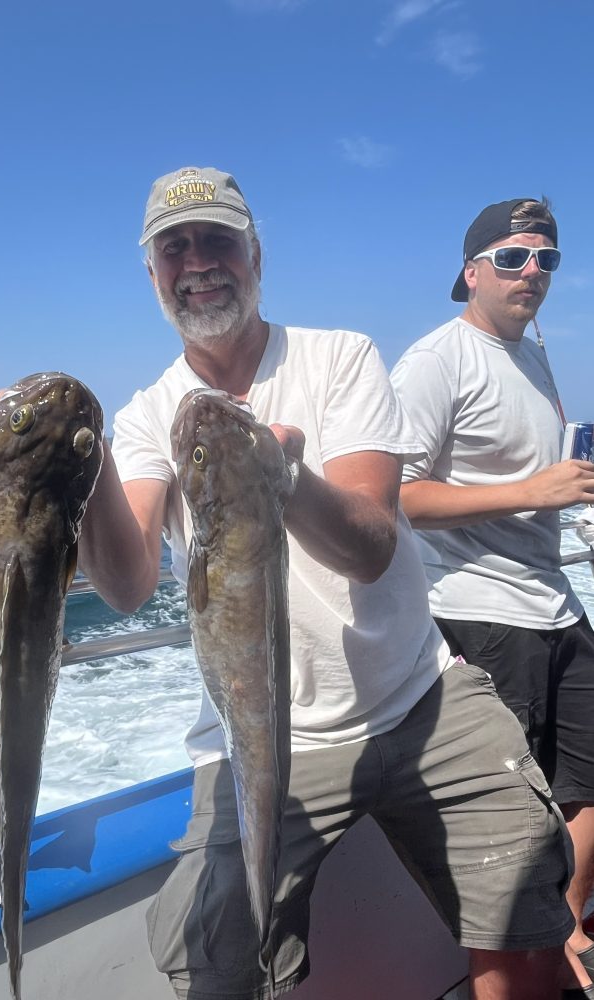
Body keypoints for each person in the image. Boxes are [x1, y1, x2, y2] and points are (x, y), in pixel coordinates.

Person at [77, 168, 574, 1000]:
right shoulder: (146, 415)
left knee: (526, 915)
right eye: (175, 248)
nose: (198, 262)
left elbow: (374, 544)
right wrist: (84, 467)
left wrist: (283, 479)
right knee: (216, 963)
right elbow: (126, 586)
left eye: (218, 240)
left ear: (255, 254)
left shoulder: (339, 358)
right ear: (153, 273)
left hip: (420, 696)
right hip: (261, 736)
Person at [391, 197, 594, 998]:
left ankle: (566, 932)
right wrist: (531, 487)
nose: (532, 272)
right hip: (478, 610)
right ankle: (537, 960)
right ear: (471, 272)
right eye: (512, 258)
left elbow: (539, 479)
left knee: (587, 785)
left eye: (546, 258)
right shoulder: (436, 361)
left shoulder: (535, 356)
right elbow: (396, 497)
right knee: (512, 827)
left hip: (553, 599)